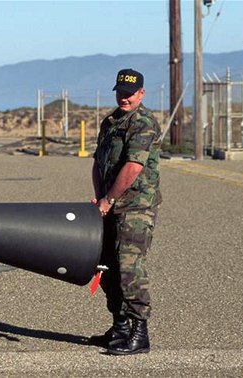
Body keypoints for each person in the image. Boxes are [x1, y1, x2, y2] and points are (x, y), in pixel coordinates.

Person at [89, 68, 162, 355]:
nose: (125, 98)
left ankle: (138, 332)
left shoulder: (142, 122)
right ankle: (120, 327)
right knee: (105, 267)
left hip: (135, 207)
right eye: (120, 92)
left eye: (130, 94)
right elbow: (98, 162)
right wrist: (100, 198)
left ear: (141, 94)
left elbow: (133, 167)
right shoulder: (110, 122)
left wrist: (108, 199)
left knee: (129, 269)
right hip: (109, 205)